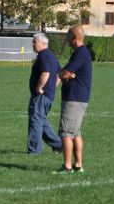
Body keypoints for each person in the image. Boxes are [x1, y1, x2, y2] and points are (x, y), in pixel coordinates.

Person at [55, 25, 92, 173]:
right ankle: (78, 165)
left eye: (68, 35)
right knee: (75, 133)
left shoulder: (80, 53)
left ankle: (67, 166)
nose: (66, 39)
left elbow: (64, 74)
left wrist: (67, 75)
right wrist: (68, 74)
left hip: (74, 98)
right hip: (78, 97)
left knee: (66, 133)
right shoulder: (79, 53)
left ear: (74, 37)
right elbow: (66, 72)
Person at [27, 33, 63, 154]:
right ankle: (59, 145)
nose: (32, 44)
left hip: (41, 96)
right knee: (42, 121)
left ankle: (34, 151)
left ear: (43, 43)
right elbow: (60, 74)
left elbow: (46, 73)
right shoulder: (52, 55)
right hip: (48, 96)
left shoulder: (43, 56)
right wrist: (52, 87)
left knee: (36, 121)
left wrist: (39, 88)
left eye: (34, 41)